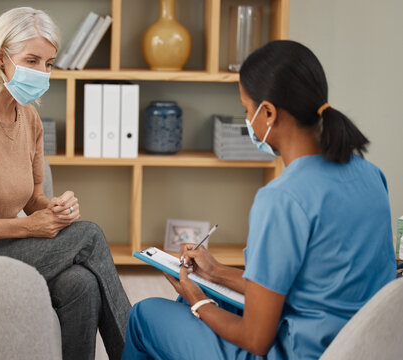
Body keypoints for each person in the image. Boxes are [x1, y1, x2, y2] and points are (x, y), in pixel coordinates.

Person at [121, 40, 396, 360]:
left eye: (246, 110)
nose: (248, 120)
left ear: (268, 113)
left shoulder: (282, 199)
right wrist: (215, 272)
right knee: (198, 302)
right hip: (355, 346)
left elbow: (255, 339)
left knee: (145, 316)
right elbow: (309, 287)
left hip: (298, 352)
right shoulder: (370, 175)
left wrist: (198, 301)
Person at [0, 7, 131, 360]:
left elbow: (33, 198)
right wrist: (27, 228)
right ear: (1, 59)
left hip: (0, 247)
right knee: (89, 235)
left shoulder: (28, 116)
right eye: (31, 60)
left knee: (83, 284)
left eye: (49, 63)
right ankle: (135, 353)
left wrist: (56, 210)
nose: (42, 72)